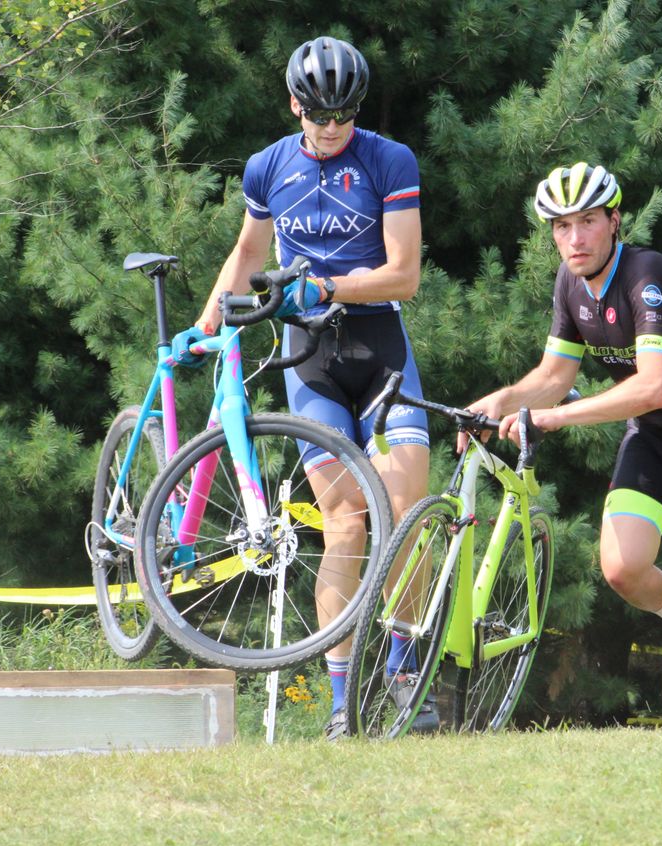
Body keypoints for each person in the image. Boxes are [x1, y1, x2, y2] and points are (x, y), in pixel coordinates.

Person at [171, 36, 434, 740]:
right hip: (308, 358)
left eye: (344, 116)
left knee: (404, 514)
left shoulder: (388, 159)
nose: (331, 130)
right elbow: (248, 254)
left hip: (378, 346)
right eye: (319, 117)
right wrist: (203, 324)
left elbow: (404, 273)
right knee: (345, 522)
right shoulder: (268, 167)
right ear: (295, 105)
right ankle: (345, 702)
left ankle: (406, 672)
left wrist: (328, 284)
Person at [465, 162, 662, 730]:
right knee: (623, 570)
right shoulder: (569, 284)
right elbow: (553, 374)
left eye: (587, 222)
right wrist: (500, 400)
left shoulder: (644, 277)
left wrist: (553, 419)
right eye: (560, 227)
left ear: (613, 221)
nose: (574, 239)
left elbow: (654, 387)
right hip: (654, 440)